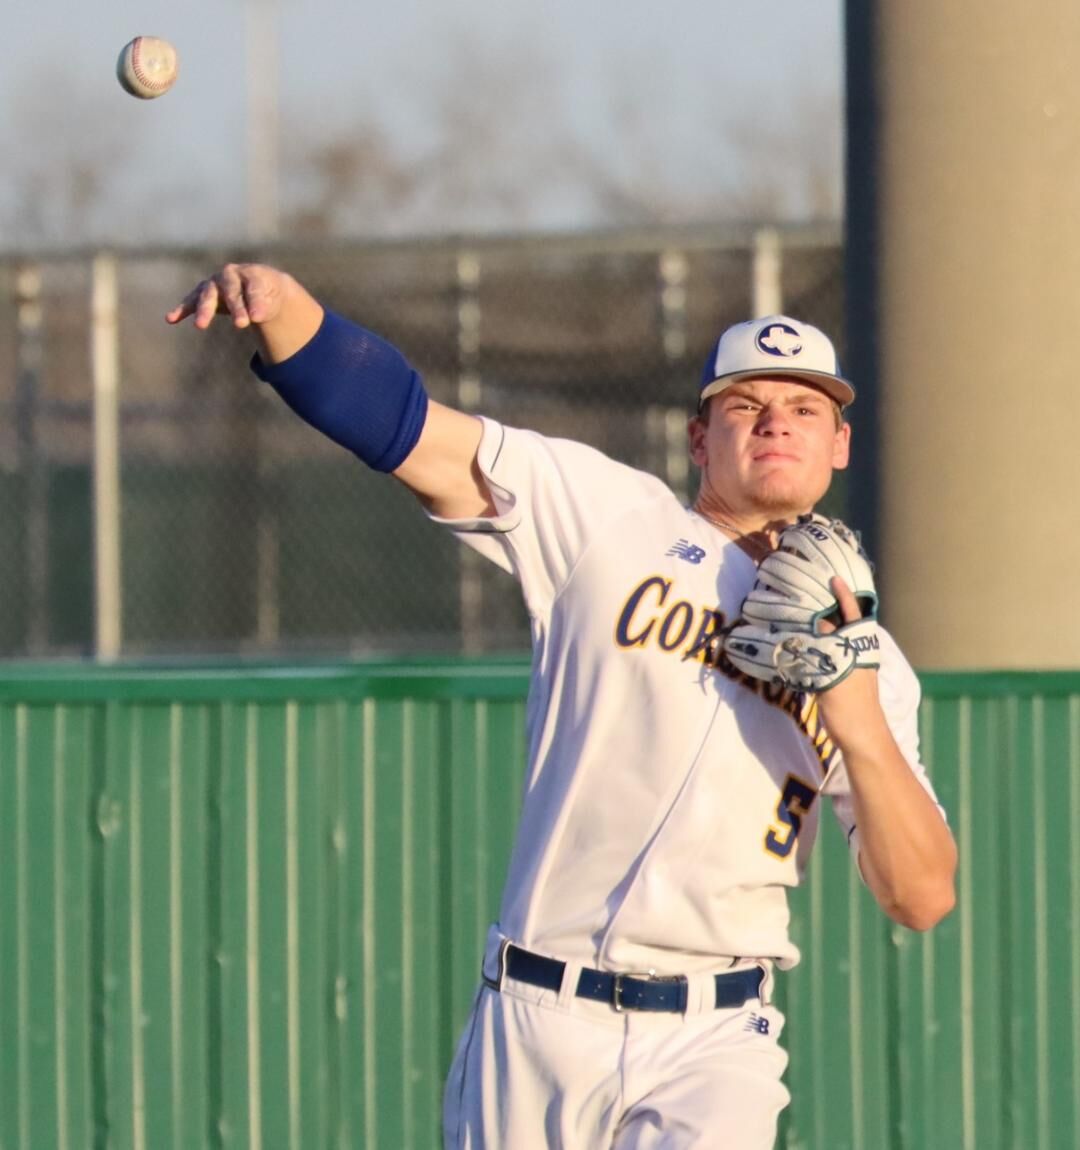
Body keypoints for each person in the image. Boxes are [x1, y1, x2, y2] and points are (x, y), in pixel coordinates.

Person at [168, 264, 957, 1150]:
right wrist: (291, 317)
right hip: (540, 1016)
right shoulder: (609, 519)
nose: (776, 419)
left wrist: (856, 722)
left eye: (805, 407)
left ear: (840, 444)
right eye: (745, 405)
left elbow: (922, 894)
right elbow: (409, 430)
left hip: (717, 1037)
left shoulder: (870, 661)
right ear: (699, 438)